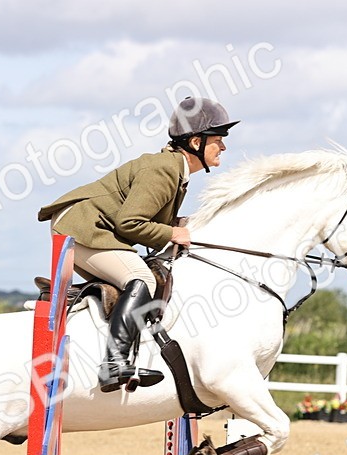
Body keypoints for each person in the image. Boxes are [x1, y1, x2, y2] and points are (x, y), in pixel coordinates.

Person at [37, 96, 239, 392]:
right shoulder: (164, 169)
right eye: (218, 139)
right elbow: (130, 223)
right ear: (196, 141)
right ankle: (114, 364)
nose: (223, 146)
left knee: (137, 279)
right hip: (82, 226)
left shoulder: (176, 170)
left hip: (90, 226)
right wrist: (172, 234)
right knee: (141, 278)